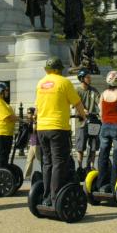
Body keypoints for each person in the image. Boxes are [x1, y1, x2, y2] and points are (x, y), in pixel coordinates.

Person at [35, 57, 86, 205]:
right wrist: (83, 116)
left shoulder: (41, 83)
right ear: (59, 69)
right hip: (58, 127)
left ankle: (46, 196)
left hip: (42, 128)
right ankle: (55, 196)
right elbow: (77, 103)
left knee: (47, 162)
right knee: (59, 162)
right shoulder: (64, 82)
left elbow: (37, 107)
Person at [96, 71, 117, 192]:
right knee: (116, 156)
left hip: (105, 127)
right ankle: (115, 184)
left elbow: (100, 112)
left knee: (103, 155)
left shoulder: (103, 94)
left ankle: (101, 183)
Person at [74, 69, 100, 171]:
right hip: (81, 122)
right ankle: (80, 167)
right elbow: (76, 103)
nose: (90, 79)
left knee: (93, 146)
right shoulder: (77, 91)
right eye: (87, 77)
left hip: (93, 120)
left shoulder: (93, 90)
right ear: (81, 78)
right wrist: (83, 110)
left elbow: (99, 101)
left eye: (90, 77)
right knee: (80, 146)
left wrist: (102, 109)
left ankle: (91, 165)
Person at [0, 83, 17, 169]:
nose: (7, 92)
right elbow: (7, 117)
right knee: (3, 153)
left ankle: (4, 170)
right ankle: (0, 170)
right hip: (1, 131)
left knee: (5, 153)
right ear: (0, 91)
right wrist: (21, 119)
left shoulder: (2, 101)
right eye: (6, 90)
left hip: (6, 131)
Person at [23, 107, 41, 181]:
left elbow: (34, 130)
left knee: (40, 159)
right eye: (27, 113)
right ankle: (26, 176)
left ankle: (46, 172)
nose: (28, 114)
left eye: (29, 113)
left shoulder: (36, 121)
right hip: (33, 141)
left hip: (37, 142)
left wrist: (34, 121)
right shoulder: (30, 121)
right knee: (29, 159)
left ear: (34, 114)